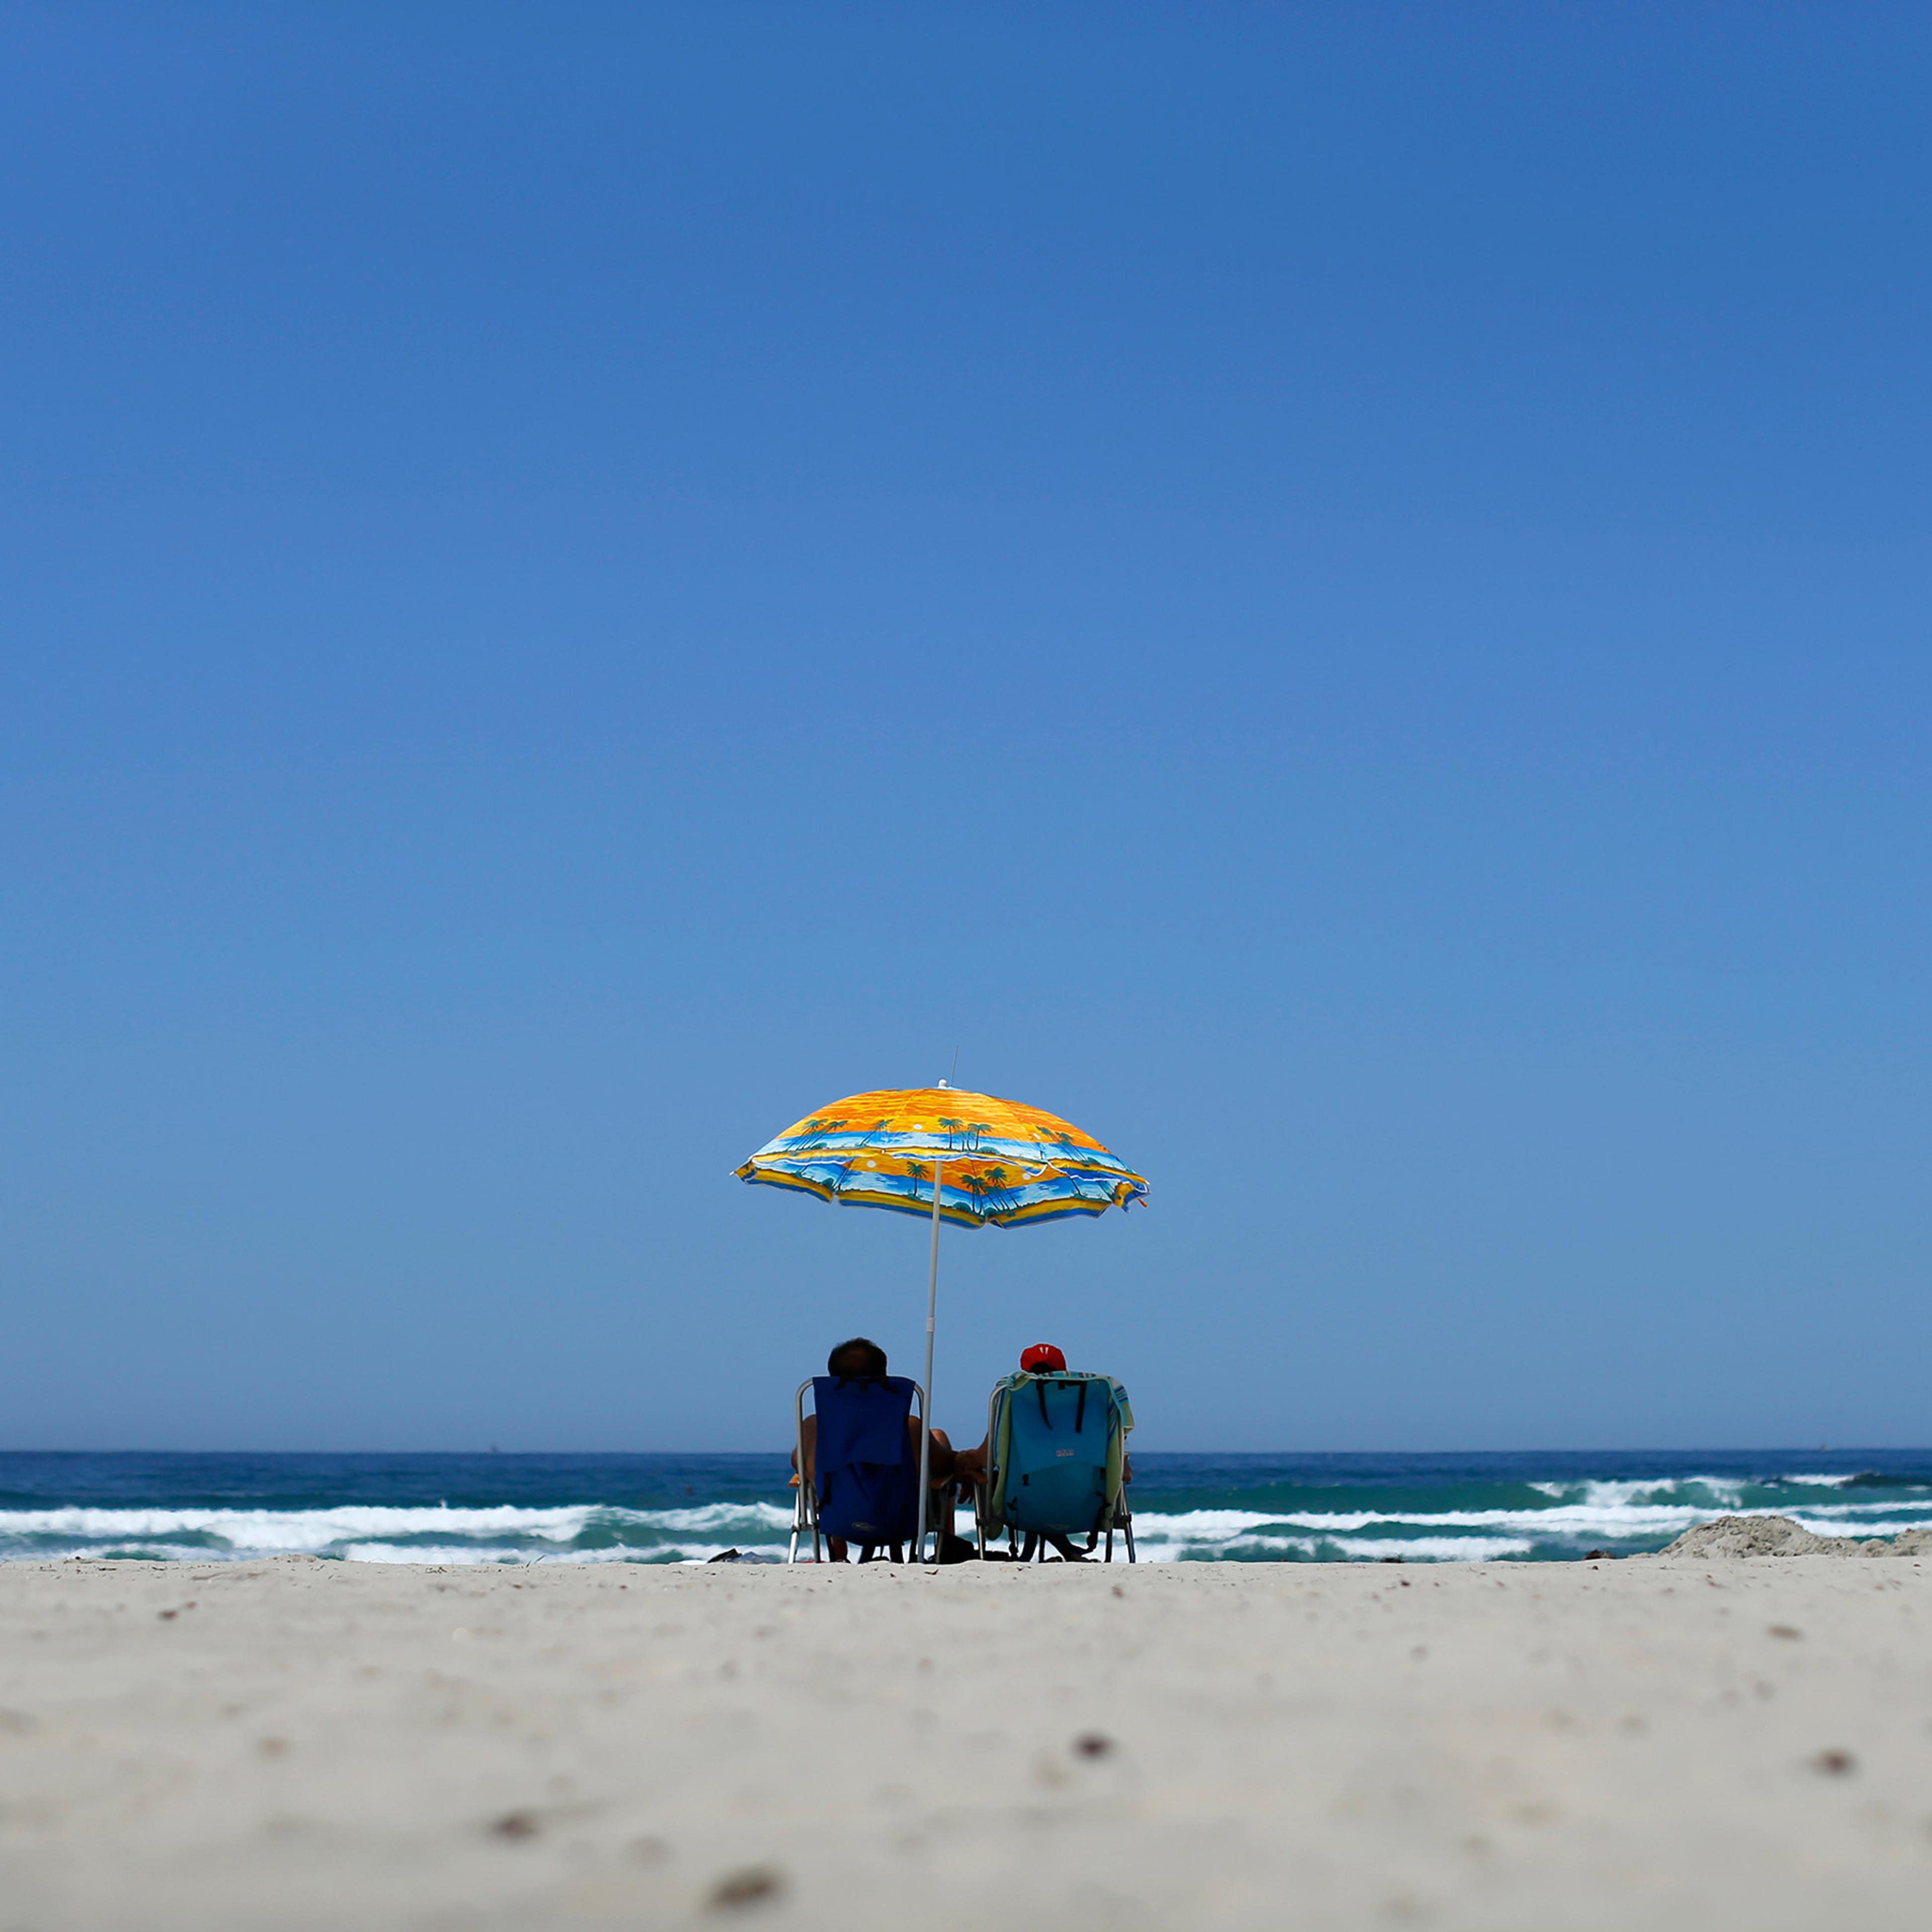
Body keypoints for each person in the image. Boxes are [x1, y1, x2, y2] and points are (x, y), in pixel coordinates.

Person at [951, 1342, 1133, 1561]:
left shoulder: (1016, 1401)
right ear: (1063, 1371)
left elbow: (985, 1458)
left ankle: (1063, 1551)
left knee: (1023, 1482)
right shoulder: (1094, 1408)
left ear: (1026, 1372)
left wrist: (961, 1459)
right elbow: (1125, 1472)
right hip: (1087, 1509)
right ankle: (1069, 1551)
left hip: (1023, 1507)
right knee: (1051, 1481)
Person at [792, 1337, 960, 1562]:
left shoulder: (814, 1427)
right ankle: (948, 1543)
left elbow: (798, 1464)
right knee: (938, 1439)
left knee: (824, 1472)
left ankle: (838, 1550)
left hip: (839, 1520)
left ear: (833, 1381)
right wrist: (966, 1463)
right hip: (898, 1520)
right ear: (884, 1377)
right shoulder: (909, 1426)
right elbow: (946, 1464)